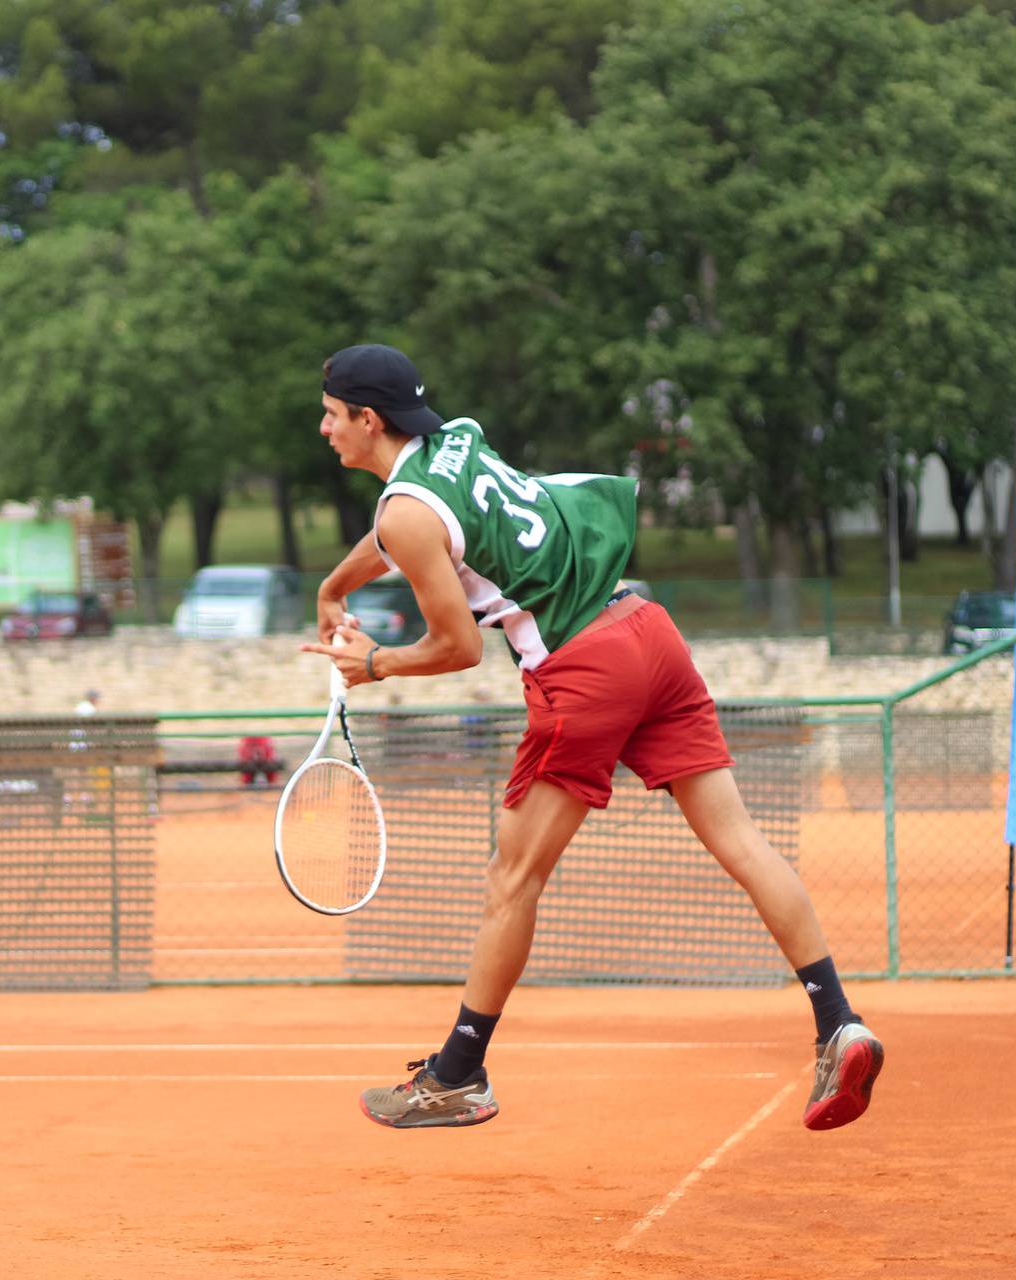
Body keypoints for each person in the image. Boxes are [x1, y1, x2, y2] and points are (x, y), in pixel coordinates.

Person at [299, 343, 882, 1133]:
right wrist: (336, 584)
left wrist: (376, 663)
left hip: (585, 669)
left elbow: (457, 645)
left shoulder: (406, 511)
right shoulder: (454, 442)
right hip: (648, 631)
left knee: (512, 880)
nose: (325, 428)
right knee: (741, 840)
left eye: (333, 415)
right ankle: (837, 1019)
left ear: (369, 420)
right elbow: (408, 531)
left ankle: (459, 1076)